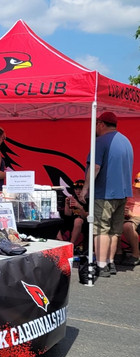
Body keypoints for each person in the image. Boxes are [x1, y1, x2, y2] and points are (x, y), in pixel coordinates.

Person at [80, 111, 134, 278]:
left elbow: (95, 167)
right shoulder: (126, 141)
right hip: (122, 193)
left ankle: (101, 264)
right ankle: (110, 263)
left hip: (104, 194)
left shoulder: (100, 142)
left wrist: (85, 189)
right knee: (114, 230)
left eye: (96, 124)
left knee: (100, 229)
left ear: (101, 124)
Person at [56, 179, 88, 252]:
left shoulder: (89, 200)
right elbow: (68, 214)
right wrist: (67, 204)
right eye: (76, 189)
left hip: (84, 224)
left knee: (78, 220)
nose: (78, 191)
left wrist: (79, 206)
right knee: (56, 220)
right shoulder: (73, 198)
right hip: (71, 221)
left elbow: (86, 216)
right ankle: (60, 244)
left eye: (80, 189)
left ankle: (71, 245)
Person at [120, 172, 140, 266]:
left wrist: (131, 214)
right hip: (126, 216)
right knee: (111, 223)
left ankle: (136, 254)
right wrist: (123, 211)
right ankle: (118, 252)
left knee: (128, 226)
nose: (138, 188)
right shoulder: (130, 191)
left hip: (136, 218)